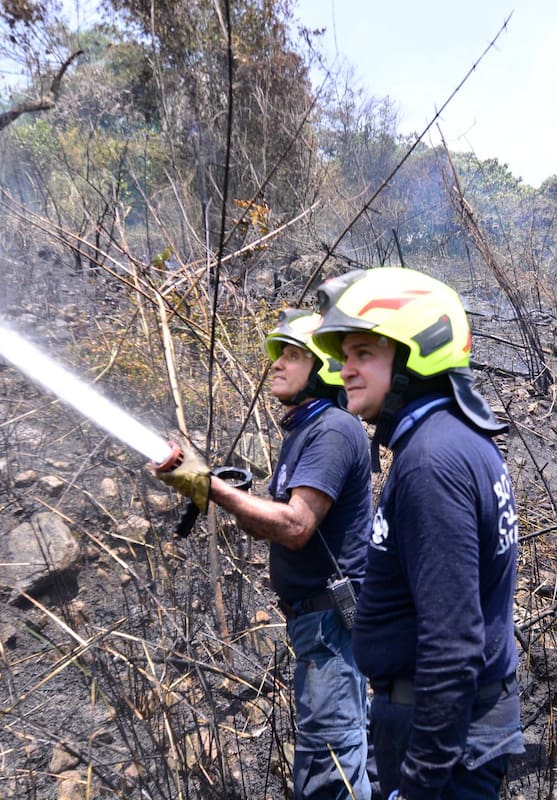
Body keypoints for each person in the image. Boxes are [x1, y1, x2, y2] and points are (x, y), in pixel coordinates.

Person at [311, 267, 524, 800]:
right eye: (345, 355)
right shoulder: (457, 441)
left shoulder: (431, 463)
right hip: (451, 728)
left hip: (442, 743)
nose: (344, 369)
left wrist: (421, 781)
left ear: (415, 354)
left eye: (363, 353)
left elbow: (453, 642)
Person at [155, 309, 373, 800]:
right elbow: (268, 527)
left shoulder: (332, 431)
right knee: (338, 759)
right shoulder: (305, 433)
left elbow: (294, 526)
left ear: (322, 368)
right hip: (317, 625)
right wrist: (222, 493)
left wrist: (206, 485)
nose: (277, 364)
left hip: (331, 626)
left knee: (331, 770)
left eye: (293, 355)